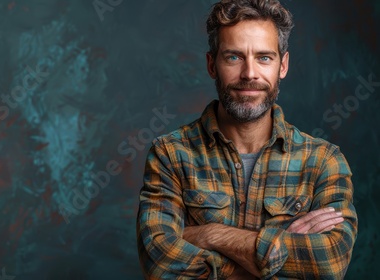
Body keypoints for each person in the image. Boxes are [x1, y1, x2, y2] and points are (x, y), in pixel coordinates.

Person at [136, 0, 358, 279]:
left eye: (264, 57)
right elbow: (160, 263)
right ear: (211, 65)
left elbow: (331, 262)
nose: (249, 73)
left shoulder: (323, 161)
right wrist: (275, 251)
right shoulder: (170, 155)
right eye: (234, 57)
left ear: (283, 65)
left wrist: (210, 235)